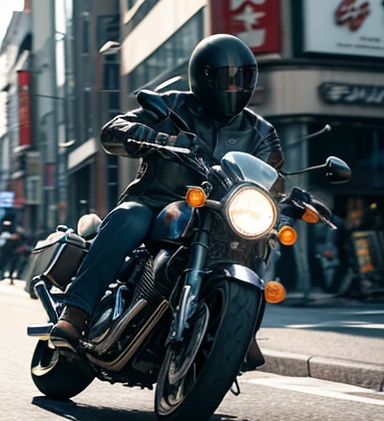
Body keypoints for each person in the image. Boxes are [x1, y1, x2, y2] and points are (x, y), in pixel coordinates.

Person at [50, 34, 285, 351]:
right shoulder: (173, 105)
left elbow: (274, 174)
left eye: (240, 80)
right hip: (155, 204)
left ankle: (240, 326)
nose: (233, 88)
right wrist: (145, 135)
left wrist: (291, 196)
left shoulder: (260, 131)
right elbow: (114, 130)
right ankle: (75, 313)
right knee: (128, 218)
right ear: (203, 77)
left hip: (220, 214)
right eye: (225, 80)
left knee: (256, 240)